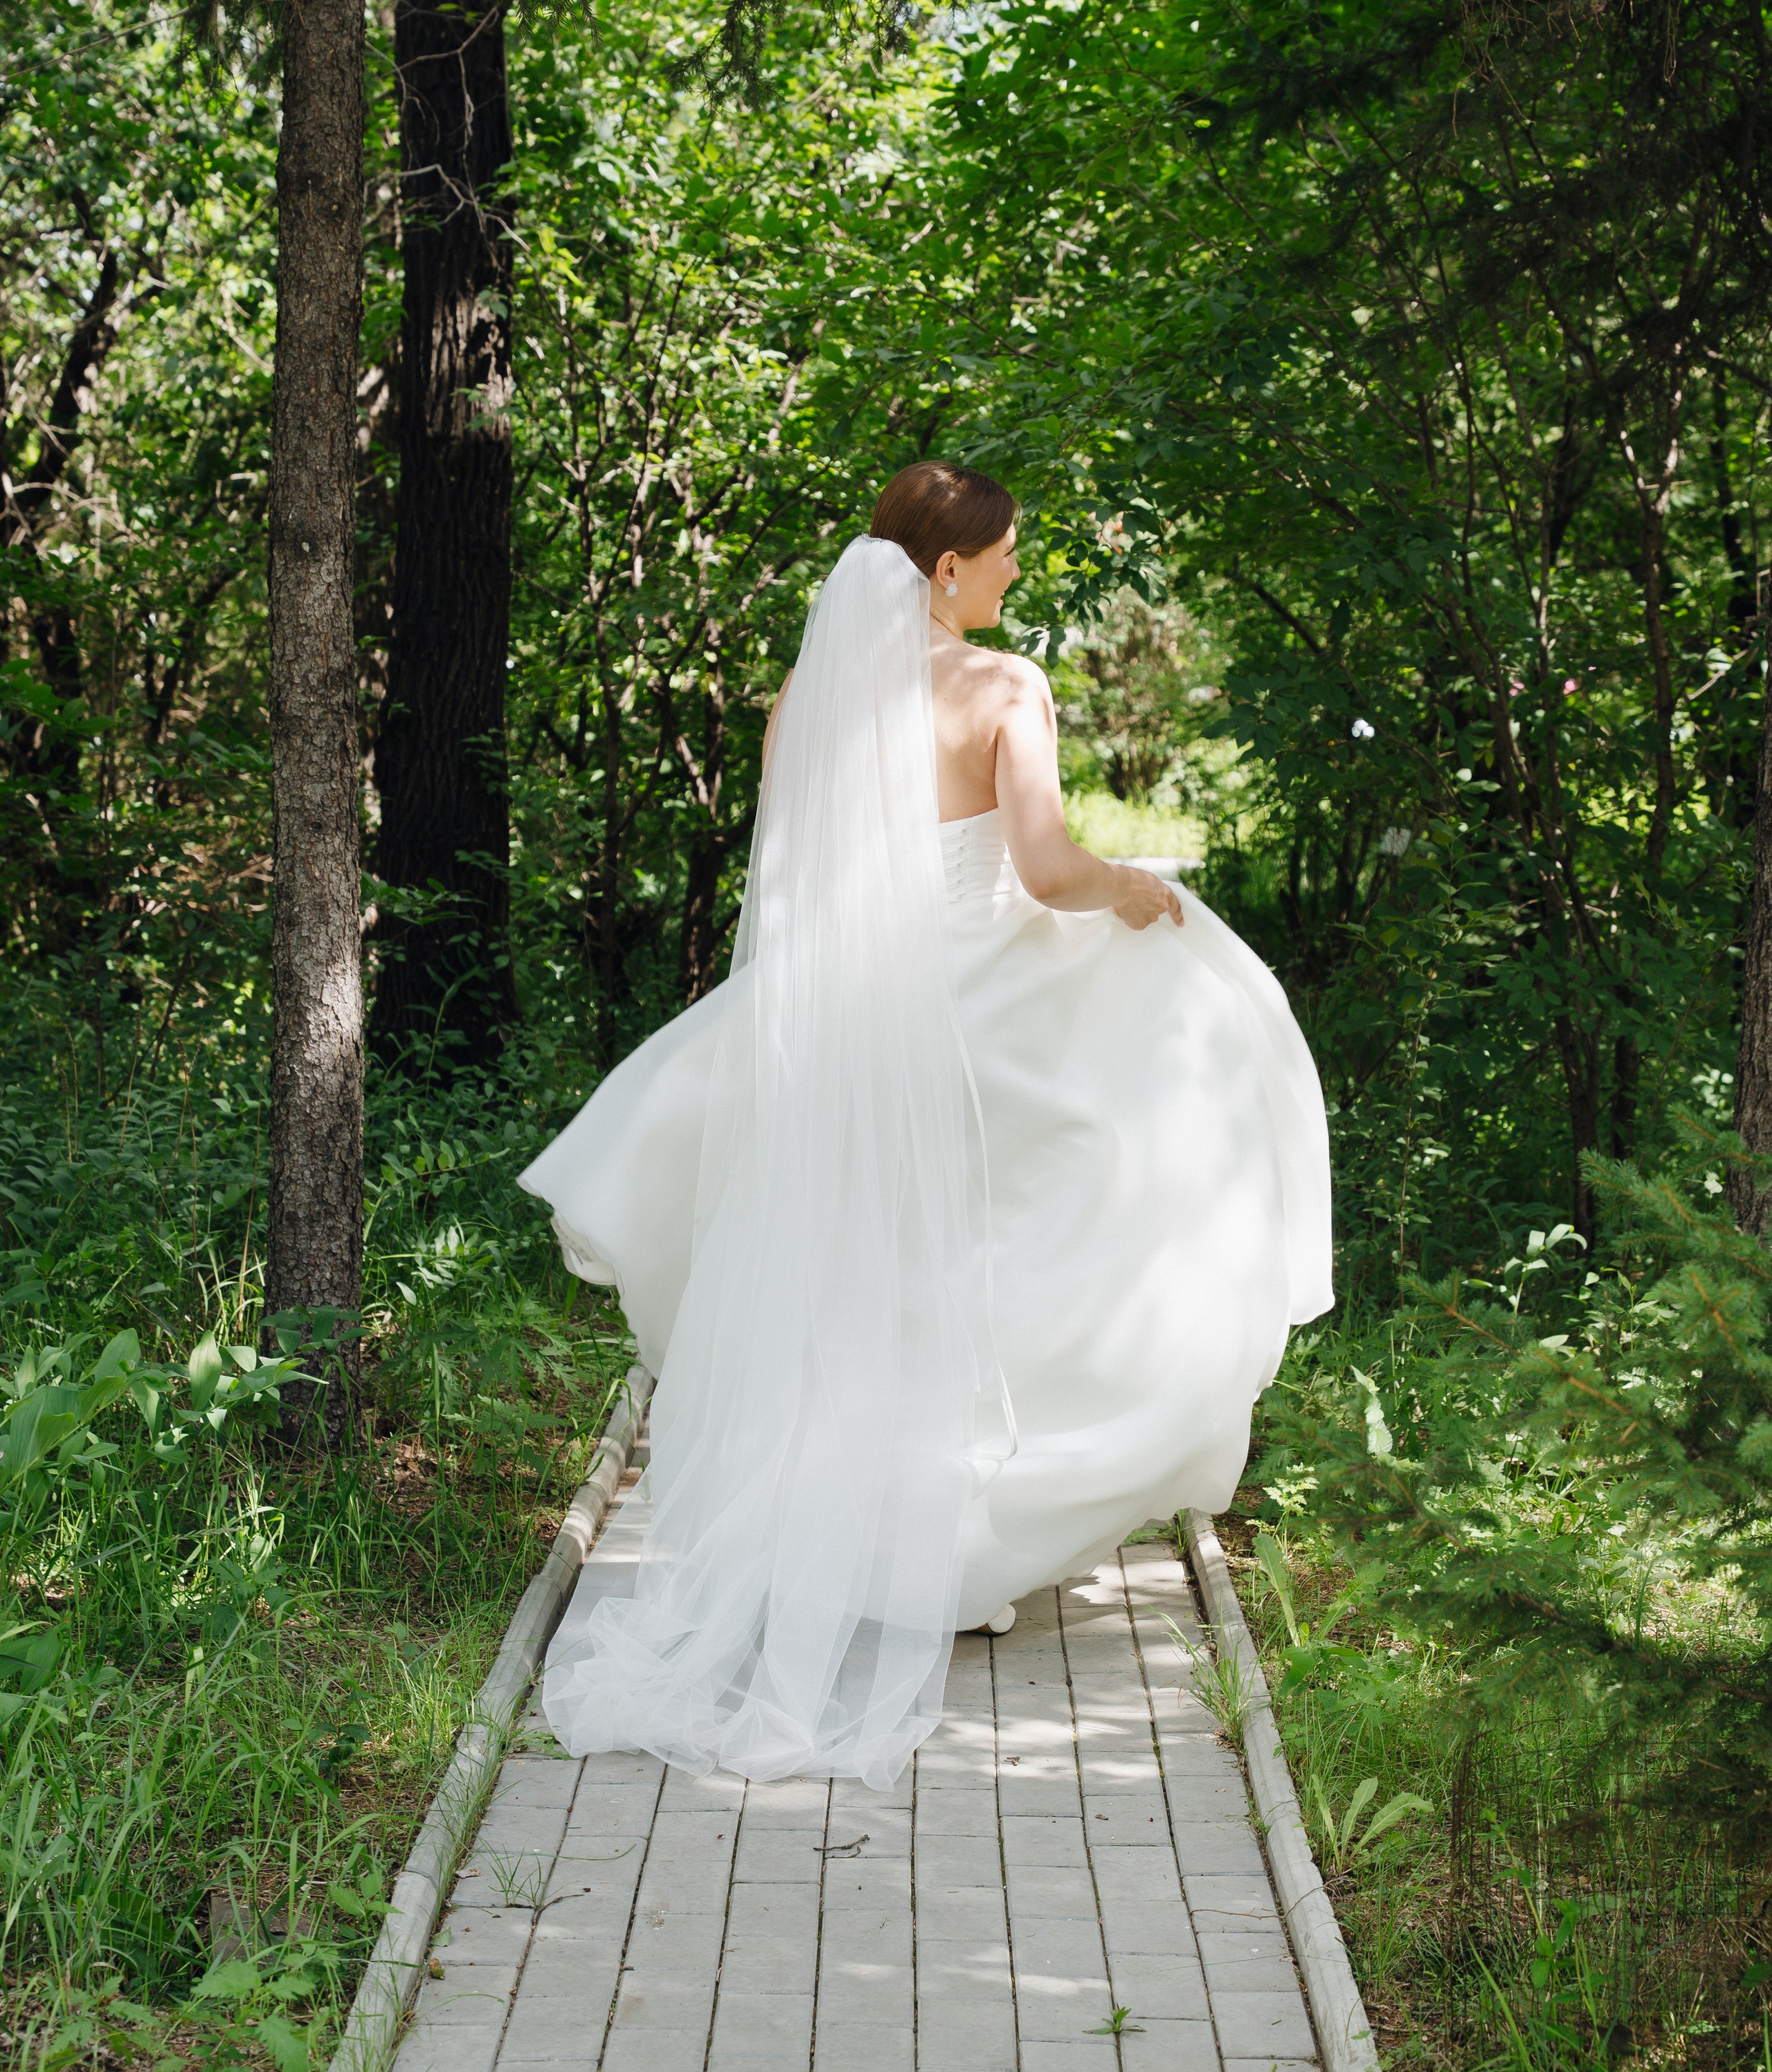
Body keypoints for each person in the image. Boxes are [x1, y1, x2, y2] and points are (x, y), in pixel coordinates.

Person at [521, 462, 1332, 1788]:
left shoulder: (804, 703)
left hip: (851, 1008)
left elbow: (797, 889)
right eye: (1005, 554)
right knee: (1051, 1227)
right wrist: (1137, 892)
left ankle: (865, 1532)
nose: (1017, 572)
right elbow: (1047, 870)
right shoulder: (1004, 689)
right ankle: (957, 1545)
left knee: (870, 1278)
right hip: (982, 1000)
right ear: (946, 569)